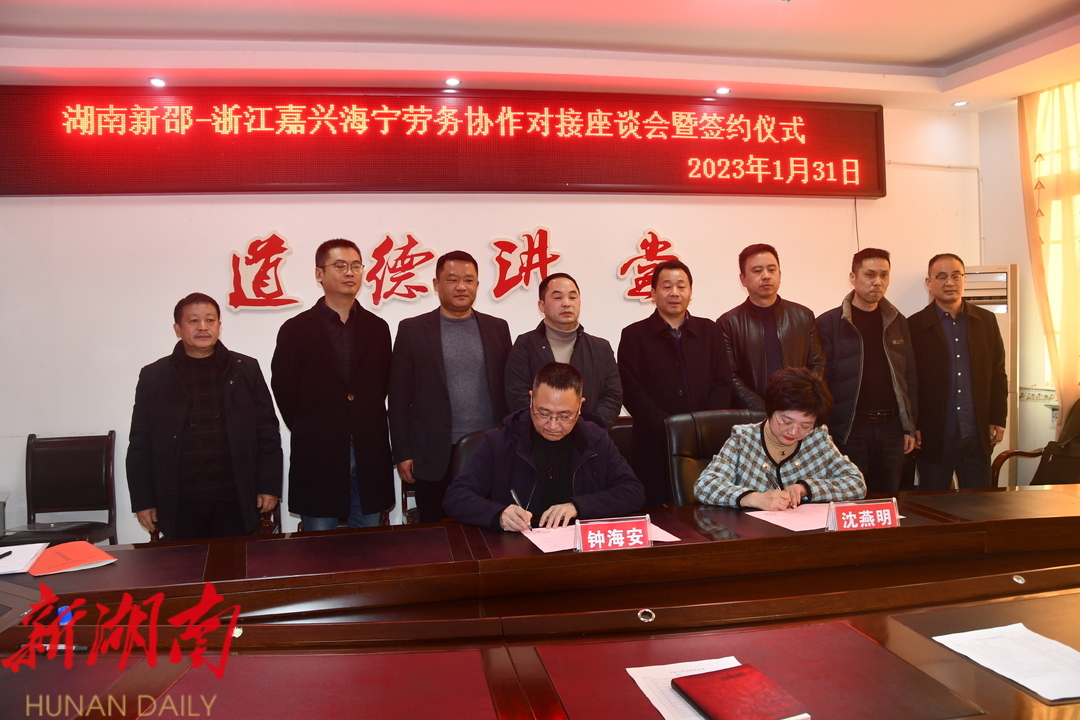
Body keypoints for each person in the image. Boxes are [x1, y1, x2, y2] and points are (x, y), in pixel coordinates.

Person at [127, 293, 282, 541]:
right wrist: (143, 501)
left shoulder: (245, 369)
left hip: (235, 497)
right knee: (185, 566)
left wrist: (268, 486)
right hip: (180, 500)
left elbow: (267, 432)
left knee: (236, 564)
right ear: (177, 329)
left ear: (219, 326)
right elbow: (140, 442)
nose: (203, 327)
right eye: (193, 321)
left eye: (210, 320)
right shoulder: (154, 376)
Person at [271, 239, 394, 531]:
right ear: (319, 274)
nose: (349, 272)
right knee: (319, 548)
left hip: (369, 452)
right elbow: (284, 389)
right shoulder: (296, 329)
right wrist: (312, 427)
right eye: (340, 266)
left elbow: (382, 385)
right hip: (318, 454)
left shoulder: (377, 328)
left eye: (356, 266)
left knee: (369, 548)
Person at [389, 250, 512, 523]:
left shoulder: (497, 329)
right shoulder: (412, 330)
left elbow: (507, 391)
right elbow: (398, 398)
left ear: (477, 285)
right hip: (433, 453)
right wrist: (403, 453)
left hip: (487, 448)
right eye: (452, 279)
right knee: (435, 530)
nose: (461, 287)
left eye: (468, 280)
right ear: (436, 284)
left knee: (488, 525)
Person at [444, 363, 644, 530]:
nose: (553, 425)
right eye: (544, 413)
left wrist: (578, 507)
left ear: (580, 407)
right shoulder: (499, 441)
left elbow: (632, 492)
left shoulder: (595, 439)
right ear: (531, 399)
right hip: (516, 546)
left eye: (565, 416)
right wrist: (498, 514)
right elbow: (456, 496)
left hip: (577, 545)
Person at [618, 259, 733, 507]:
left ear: (690, 292)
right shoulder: (634, 335)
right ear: (653, 293)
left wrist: (702, 426)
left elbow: (723, 382)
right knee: (659, 513)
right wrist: (671, 428)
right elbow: (632, 391)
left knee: (707, 513)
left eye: (681, 286)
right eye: (667, 286)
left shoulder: (710, 331)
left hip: (706, 447)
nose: (674, 293)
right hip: (653, 444)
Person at [817, 248, 918, 494]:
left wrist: (909, 426)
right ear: (853, 277)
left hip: (892, 429)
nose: (878, 282)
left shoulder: (897, 321)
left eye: (884, 275)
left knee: (889, 499)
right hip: (850, 428)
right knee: (850, 498)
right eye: (870, 274)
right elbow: (821, 381)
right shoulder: (829, 323)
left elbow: (910, 378)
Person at [694, 367, 866, 509]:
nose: (793, 431)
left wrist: (807, 488)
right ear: (771, 409)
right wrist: (754, 498)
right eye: (786, 421)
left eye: (805, 426)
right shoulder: (743, 439)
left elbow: (856, 483)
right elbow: (705, 485)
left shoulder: (817, 438)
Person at [908, 253, 1008, 489]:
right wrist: (913, 425)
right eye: (941, 277)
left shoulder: (986, 321)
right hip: (934, 434)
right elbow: (909, 382)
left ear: (964, 279)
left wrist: (998, 418)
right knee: (934, 503)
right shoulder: (914, 325)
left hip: (976, 431)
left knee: (979, 502)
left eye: (955, 276)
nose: (949, 283)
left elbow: (998, 373)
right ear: (929, 282)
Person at [504, 272, 622, 429]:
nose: (566, 303)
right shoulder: (525, 345)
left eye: (572, 297)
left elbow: (612, 396)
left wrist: (587, 430)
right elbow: (517, 395)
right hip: (537, 437)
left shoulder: (600, 348)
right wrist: (548, 427)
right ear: (541, 305)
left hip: (589, 437)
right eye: (558, 297)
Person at [718, 243, 826, 411]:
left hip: (797, 412)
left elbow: (817, 364)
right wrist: (763, 410)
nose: (766, 276)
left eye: (771, 269)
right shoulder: (728, 323)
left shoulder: (804, 316)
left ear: (780, 275)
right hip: (752, 416)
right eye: (757, 271)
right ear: (743, 279)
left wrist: (798, 402)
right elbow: (730, 375)